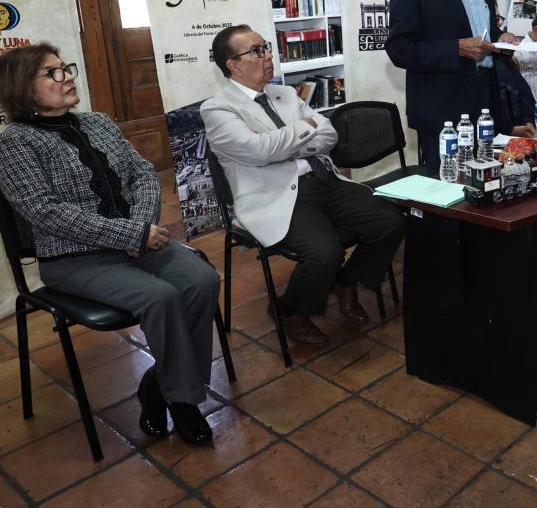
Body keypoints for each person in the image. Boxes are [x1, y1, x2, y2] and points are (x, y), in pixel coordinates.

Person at [0, 43, 219, 446]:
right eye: (51, 73)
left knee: (202, 279)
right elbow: (45, 212)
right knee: (160, 297)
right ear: (22, 87)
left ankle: (159, 383)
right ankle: (184, 401)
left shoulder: (98, 122)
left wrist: (140, 228)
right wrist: (132, 235)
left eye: (64, 68)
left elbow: (142, 174)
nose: (65, 76)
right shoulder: (14, 143)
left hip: (138, 240)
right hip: (73, 260)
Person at [201, 25, 404, 345]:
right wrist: (303, 130)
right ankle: (290, 310)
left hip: (323, 179)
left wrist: (287, 143)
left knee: (389, 221)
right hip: (277, 195)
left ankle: (346, 282)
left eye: (265, 47)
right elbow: (258, 151)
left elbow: (329, 135)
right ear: (234, 64)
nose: (268, 55)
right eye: (256, 51)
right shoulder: (217, 109)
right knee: (325, 251)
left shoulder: (284, 93)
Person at [387, 0, 518, 174]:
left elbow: (485, 29)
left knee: (487, 186)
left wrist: (501, 37)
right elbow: (399, 48)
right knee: (450, 199)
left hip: (485, 100)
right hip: (442, 109)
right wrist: (457, 48)